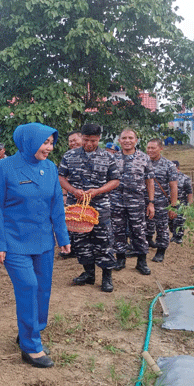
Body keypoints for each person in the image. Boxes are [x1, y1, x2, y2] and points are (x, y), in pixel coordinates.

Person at [0, 123, 70, 368]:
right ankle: (31, 347)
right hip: (14, 242)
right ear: (29, 141)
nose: (49, 148)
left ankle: (31, 330)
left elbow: (56, 205)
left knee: (43, 289)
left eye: (51, 143)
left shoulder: (50, 167)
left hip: (43, 241)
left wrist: (62, 237)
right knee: (28, 286)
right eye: (44, 142)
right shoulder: (4, 167)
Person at [58, 123, 120, 292]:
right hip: (76, 206)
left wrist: (98, 191)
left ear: (99, 139)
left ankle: (107, 277)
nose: (89, 144)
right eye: (86, 140)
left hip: (100, 206)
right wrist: (72, 190)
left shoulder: (108, 157)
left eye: (93, 140)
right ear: (81, 137)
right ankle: (88, 274)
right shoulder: (69, 156)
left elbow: (115, 180)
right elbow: (61, 177)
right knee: (81, 240)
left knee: (104, 241)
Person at [111, 128, 155, 275]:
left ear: (136, 140)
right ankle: (120, 259)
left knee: (139, 231)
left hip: (137, 201)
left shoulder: (144, 158)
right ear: (119, 140)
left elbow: (150, 181)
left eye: (130, 138)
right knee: (118, 231)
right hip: (116, 201)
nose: (127, 141)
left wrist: (151, 202)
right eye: (124, 138)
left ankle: (141, 262)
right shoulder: (113, 158)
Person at [146, 138, 179, 263]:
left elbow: (173, 187)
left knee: (161, 227)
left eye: (153, 148)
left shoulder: (168, 165)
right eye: (148, 148)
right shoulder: (143, 162)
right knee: (143, 226)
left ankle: (161, 251)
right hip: (143, 201)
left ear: (161, 148)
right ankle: (145, 244)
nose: (150, 150)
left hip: (161, 202)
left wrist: (173, 206)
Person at [170, 160, 193, 244]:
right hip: (170, 203)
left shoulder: (185, 178)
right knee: (170, 221)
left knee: (179, 220)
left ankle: (179, 236)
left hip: (181, 203)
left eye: (174, 168)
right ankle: (174, 234)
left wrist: (189, 206)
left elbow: (189, 193)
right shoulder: (167, 177)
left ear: (178, 168)